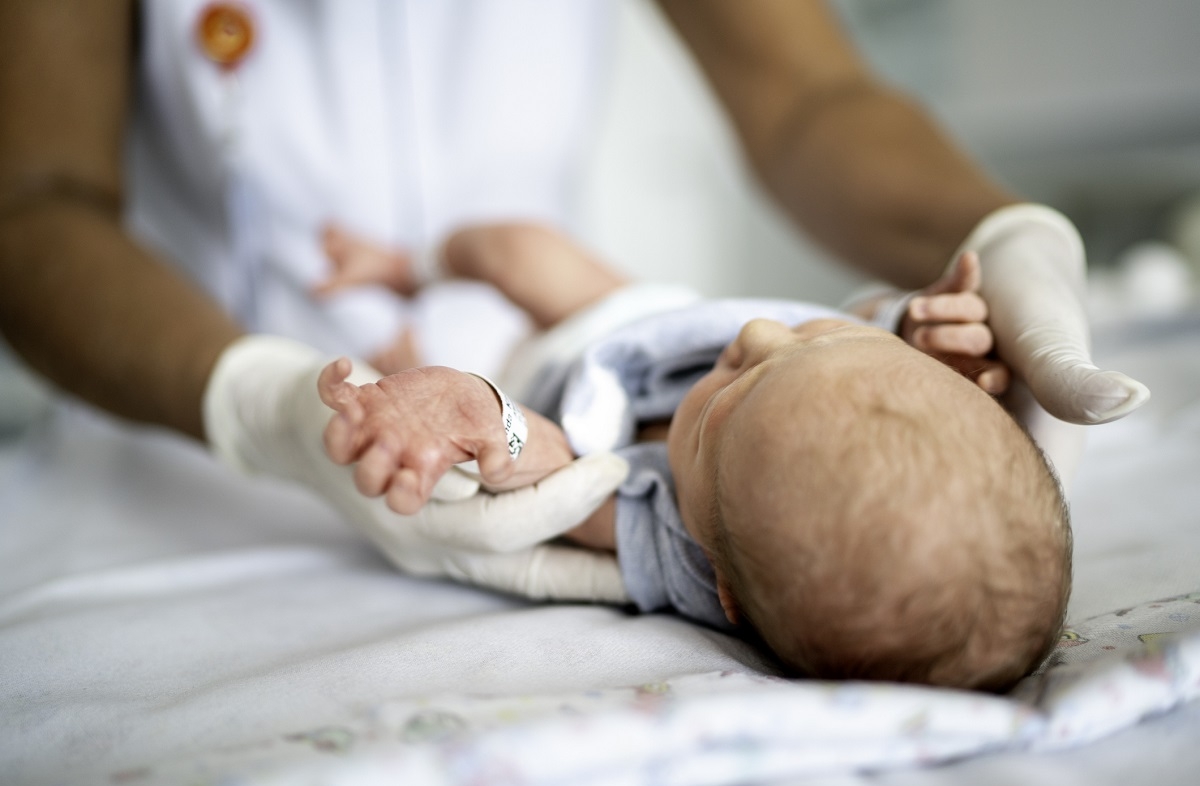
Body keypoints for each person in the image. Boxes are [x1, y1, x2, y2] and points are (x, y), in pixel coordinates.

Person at [0, 1, 1142, 603]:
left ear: (732, 595)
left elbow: (808, 100)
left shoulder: (700, 547)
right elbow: (32, 201)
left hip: (465, 378)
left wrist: (1009, 237)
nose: (754, 332)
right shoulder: (764, 421)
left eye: (755, 376)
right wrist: (933, 328)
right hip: (175, 391)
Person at [314, 222, 1070, 691]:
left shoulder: (683, 549)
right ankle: (410, 264)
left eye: (735, 391)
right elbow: (864, 330)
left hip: (562, 387)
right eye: (815, 343)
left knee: (486, 340)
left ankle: (415, 347)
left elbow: (557, 477)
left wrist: (488, 415)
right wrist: (911, 324)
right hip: (647, 325)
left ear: (721, 581)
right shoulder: (858, 384)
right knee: (521, 251)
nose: (758, 336)